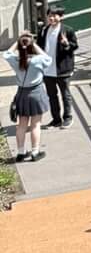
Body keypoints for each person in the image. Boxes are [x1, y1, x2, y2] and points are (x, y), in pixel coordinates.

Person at [6, 32, 49, 163]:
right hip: (36, 93)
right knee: (35, 125)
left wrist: (19, 41)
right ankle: (35, 152)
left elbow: (6, 54)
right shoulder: (38, 60)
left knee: (21, 125)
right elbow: (48, 58)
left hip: (22, 94)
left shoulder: (16, 61)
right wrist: (33, 44)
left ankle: (20, 152)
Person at [41, 5, 77, 128]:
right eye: (49, 15)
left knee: (65, 95)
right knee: (52, 96)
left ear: (61, 17)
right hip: (47, 70)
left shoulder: (68, 30)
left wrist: (66, 44)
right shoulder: (44, 30)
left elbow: (74, 46)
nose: (51, 18)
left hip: (63, 70)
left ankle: (68, 118)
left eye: (54, 15)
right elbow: (40, 47)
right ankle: (56, 119)